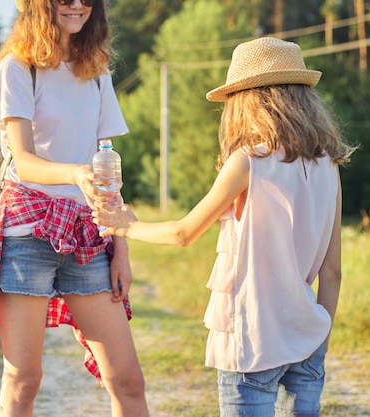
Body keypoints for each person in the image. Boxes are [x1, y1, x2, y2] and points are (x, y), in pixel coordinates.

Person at [93, 37, 356, 417]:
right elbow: (332, 271)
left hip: (253, 341)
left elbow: (184, 234)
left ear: (249, 100)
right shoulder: (328, 166)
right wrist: (320, 340)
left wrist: (128, 226)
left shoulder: (248, 162)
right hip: (308, 335)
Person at [0, 0, 149, 416]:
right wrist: (77, 175)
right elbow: (23, 160)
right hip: (27, 232)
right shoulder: (17, 67)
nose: (77, 5)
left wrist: (122, 249)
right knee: (24, 380)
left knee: (127, 379)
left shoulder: (96, 71)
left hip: (85, 233)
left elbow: (108, 167)